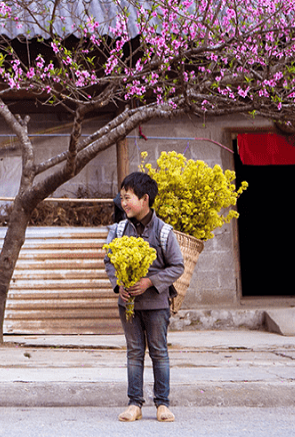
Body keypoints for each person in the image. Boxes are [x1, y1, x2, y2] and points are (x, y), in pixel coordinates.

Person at [104, 172, 184, 423]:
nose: (123, 203)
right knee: (134, 352)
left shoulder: (163, 232)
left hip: (157, 304)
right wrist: (119, 285)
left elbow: (177, 266)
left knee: (159, 352)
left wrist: (150, 281)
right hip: (127, 303)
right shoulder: (118, 230)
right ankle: (134, 404)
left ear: (145, 199)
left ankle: (162, 404)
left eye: (127, 198)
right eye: (122, 197)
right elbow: (108, 260)